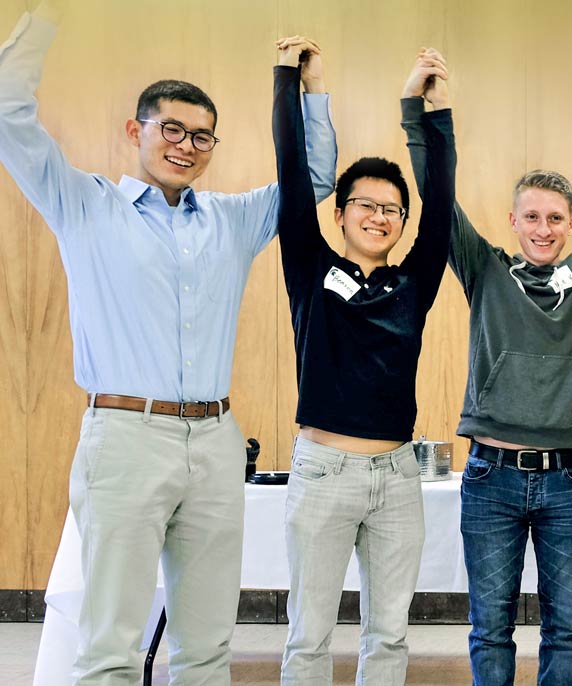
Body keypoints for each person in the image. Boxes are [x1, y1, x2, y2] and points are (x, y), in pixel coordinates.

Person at [0, 3, 337, 681]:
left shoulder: (233, 219)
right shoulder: (84, 204)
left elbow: (316, 181)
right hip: (125, 438)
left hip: (215, 442)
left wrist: (312, 89)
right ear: (137, 130)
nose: (186, 145)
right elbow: (9, 114)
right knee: (110, 649)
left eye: (202, 136)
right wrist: (39, 18)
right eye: (172, 129)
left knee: (207, 646)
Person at [400, 58, 572, 684]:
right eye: (531, 217)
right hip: (491, 476)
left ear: (571, 224)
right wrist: (420, 118)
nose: (543, 229)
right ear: (513, 221)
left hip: (567, 482)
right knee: (490, 626)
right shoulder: (484, 269)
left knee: (562, 628)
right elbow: (437, 197)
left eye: (555, 218)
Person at [274, 45, 455, 685]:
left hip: (397, 475)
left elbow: (442, 201)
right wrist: (295, 84)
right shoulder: (310, 267)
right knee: (309, 636)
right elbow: (294, 177)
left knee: (390, 637)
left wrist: (429, 110)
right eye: (366, 204)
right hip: (323, 469)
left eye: (391, 209)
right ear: (341, 211)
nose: (380, 217)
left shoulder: (414, 284)